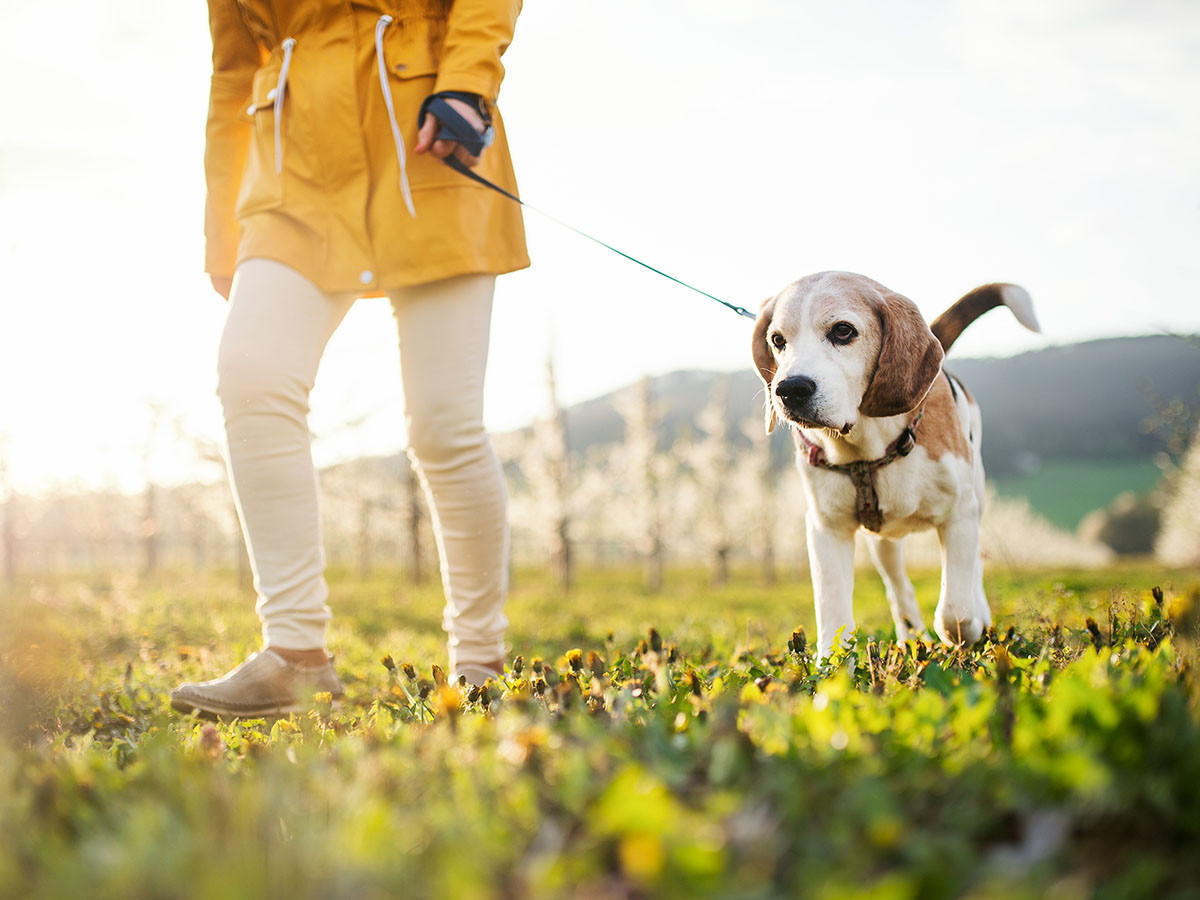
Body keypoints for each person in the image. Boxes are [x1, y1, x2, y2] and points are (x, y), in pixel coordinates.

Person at [171, 0, 528, 719]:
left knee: (443, 424)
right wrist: (220, 232)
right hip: (290, 179)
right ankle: (295, 654)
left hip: (428, 141)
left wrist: (467, 81)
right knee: (252, 374)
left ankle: (480, 660)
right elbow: (232, 70)